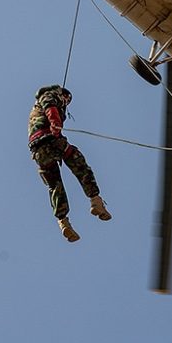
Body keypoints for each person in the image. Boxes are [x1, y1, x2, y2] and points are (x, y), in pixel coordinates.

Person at [28, 84, 111, 242]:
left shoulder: (35, 109)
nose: (66, 102)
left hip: (37, 151)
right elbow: (51, 108)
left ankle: (63, 222)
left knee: (54, 185)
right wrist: (56, 125)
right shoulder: (49, 96)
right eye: (66, 99)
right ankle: (95, 200)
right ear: (61, 94)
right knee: (79, 163)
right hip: (51, 140)